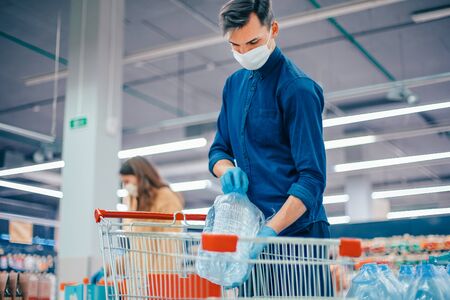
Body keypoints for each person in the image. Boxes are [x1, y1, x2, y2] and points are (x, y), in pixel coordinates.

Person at [209, 0, 330, 295]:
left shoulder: (298, 89)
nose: (244, 53)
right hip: (250, 235)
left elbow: (312, 179)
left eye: (253, 42)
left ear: (273, 29)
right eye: (234, 46)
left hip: (298, 238)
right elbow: (218, 150)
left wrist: (270, 231)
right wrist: (226, 171)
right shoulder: (233, 86)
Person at [91, 156, 184, 284]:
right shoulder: (134, 200)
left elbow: (169, 245)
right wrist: (109, 268)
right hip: (140, 280)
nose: (126, 186)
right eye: (123, 182)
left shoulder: (166, 198)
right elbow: (139, 251)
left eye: (127, 181)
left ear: (141, 176)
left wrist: (157, 281)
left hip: (161, 281)